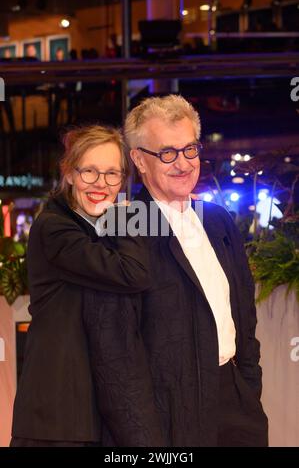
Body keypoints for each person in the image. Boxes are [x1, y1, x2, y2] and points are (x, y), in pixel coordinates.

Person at [84, 95, 268, 446]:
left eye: (190, 150)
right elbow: (114, 354)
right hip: (164, 414)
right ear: (139, 159)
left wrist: (248, 388)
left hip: (235, 404)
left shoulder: (217, 220)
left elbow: (244, 314)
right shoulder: (123, 225)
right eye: (167, 153)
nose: (183, 164)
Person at [10, 125, 150, 447]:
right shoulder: (54, 228)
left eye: (112, 173)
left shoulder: (96, 225)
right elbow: (134, 273)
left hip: (100, 411)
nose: (101, 183)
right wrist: (126, 218)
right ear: (70, 174)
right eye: (89, 171)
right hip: (57, 417)